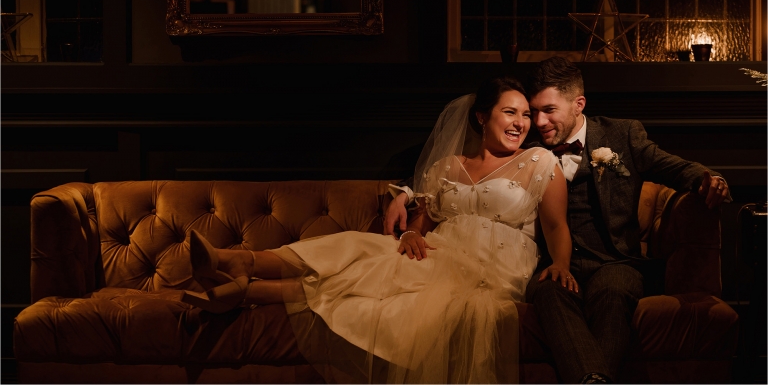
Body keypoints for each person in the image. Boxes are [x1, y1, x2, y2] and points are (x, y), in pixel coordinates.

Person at [181, 76, 573, 383]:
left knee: (375, 270)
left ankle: (243, 275)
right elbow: (423, 221)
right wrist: (409, 234)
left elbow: (555, 224)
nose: (521, 123)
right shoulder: (447, 166)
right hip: (438, 251)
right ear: (482, 117)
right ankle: (240, 268)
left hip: (495, 263)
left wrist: (561, 264)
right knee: (362, 250)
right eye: (510, 113)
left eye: (525, 115)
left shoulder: (539, 161)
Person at [385, 57, 731, 384]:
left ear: (578, 105)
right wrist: (403, 192)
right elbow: (454, 170)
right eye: (533, 111)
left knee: (612, 293)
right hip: (549, 263)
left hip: (613, 261)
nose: (537, 122)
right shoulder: (523, 141)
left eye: (549, 111)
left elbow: (670, 165)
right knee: (549, 294)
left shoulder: (620, 135)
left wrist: (707, 177)